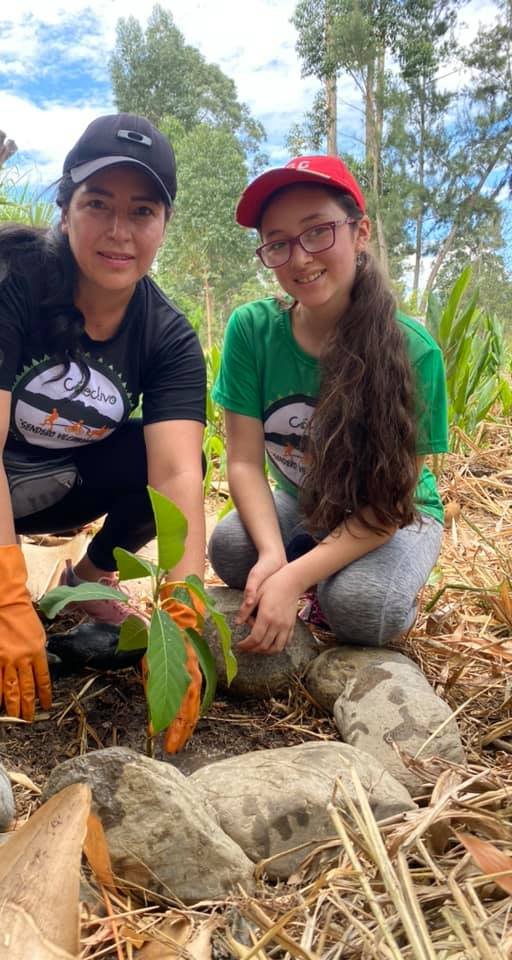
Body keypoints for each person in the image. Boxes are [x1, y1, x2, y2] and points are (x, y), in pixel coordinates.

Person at [0, 114, 206, 749]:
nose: (119, 231)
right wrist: (5, 602)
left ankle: (84, 579)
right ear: (65, 207)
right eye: (98, 204)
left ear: (164, 225)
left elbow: (177, 475)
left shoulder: (168, 337)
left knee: (158, 463)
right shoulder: (4, 283)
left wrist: (183, 618)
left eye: (142, 211)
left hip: (53, 479)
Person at [209, 156, 448, 654]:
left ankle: (360, 575)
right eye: (278, 243)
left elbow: (387, 508)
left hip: (392, 512)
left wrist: (295, 579)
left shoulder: (413, 351)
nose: (299, 258)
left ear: (360, 233)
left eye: (318, 232)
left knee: (360, 610)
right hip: (305, 499)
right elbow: (245, 462)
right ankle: (314, 559)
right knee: (232, 551)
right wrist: (275, 555)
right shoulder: (252, 331)